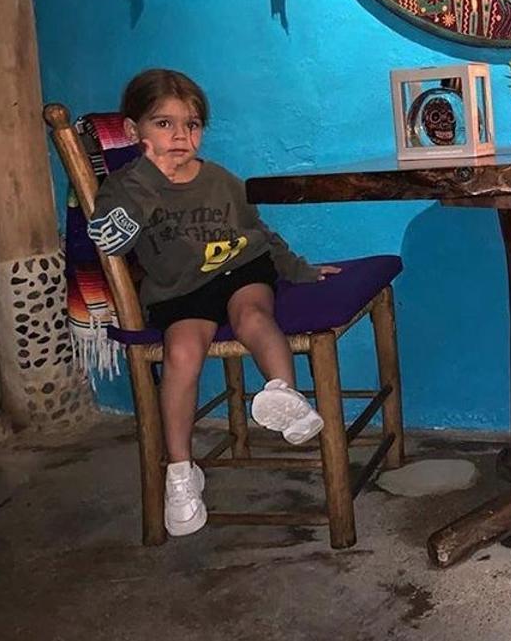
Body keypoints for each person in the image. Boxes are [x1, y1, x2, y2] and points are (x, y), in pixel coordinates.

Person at [88, 68, 340, 537]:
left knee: (253, 315)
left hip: (241, 269)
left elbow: (258, 232)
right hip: (180, 290)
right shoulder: (125, 187)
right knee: (182, 351)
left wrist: (299, 269)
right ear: (132, 130)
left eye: (192, 124)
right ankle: (181, 472)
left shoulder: (220, 179)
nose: (180, 136)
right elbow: (110, 241)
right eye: (164, 124)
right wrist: (148, 180)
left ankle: (283, 393)